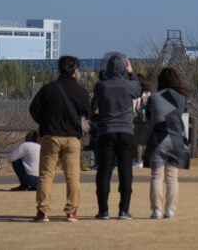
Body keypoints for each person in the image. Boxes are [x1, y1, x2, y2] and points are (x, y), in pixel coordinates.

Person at [28, 54, 91, 222]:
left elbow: (33, 108)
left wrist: (43, 122)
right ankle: (71, 211)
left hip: (50, 137)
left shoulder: (48, 89)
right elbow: (88, 114)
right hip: (72, 138)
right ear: (75, 71)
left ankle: (43, 211)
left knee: (46, 175)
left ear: (59, 70)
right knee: (72, 177)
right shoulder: (81, 92)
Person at [92, 53, 142, 220]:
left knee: (104, 173)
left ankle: (103, 210)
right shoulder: (129, 86)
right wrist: (131, 71)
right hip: (126, 132)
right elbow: (139, 88)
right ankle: (124, 210)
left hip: (106, 132)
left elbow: (93, 109)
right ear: (123, 68)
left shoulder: (101, 87)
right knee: (125, 172)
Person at [146, 67, 191, 220]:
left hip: (158, 137)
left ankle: (156, 210)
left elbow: (149, 117)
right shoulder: (181, 97)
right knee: (172, 176)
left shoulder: (153, 97)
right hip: (176, 138)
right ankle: (170, 210)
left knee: (156, 176)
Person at [133, 73, 152, 168]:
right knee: (146, 140)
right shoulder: (149, 93)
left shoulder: (138, 94)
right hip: (148, 119)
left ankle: (138, 161)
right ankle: (145, 160)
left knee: (138, 140)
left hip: (138, 118)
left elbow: (135, 107)